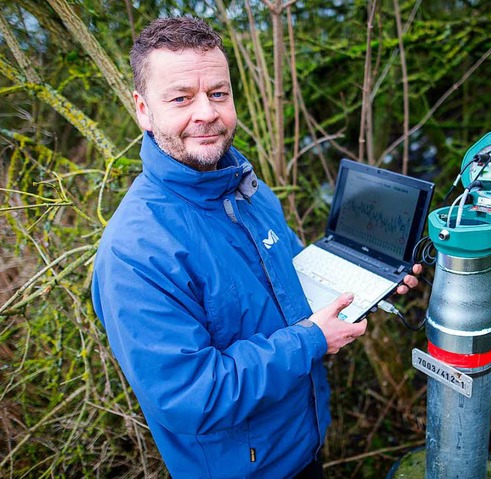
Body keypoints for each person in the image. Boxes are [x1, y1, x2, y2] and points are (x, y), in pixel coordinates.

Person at [91, 17, 422, 479]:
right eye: (181, 97)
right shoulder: (135, 254)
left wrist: (366, 280)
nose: (206, 112)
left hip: (301, 442)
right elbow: (192, 397)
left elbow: (293, 284)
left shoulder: (249, 191)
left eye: (218, 93)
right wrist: (312, 339)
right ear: (143, 109)